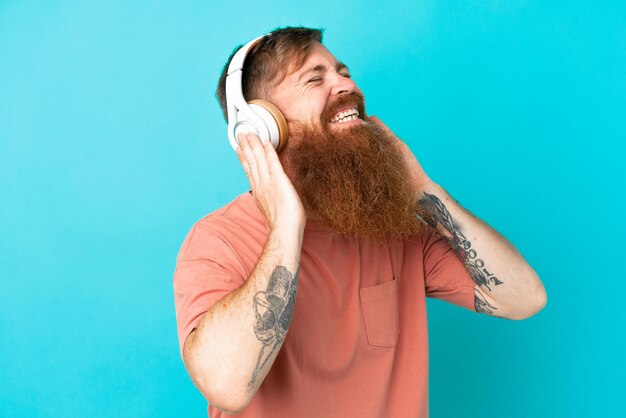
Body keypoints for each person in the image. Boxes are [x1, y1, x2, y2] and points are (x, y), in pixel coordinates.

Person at [173, 26, 547, 418]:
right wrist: (286, 226)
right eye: (314, 79)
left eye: (343, 72)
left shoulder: (394, 226)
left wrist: (425, 191)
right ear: (261, 125)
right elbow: (227, 388)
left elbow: (524, 298)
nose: (344, 84)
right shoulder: (218, 242)